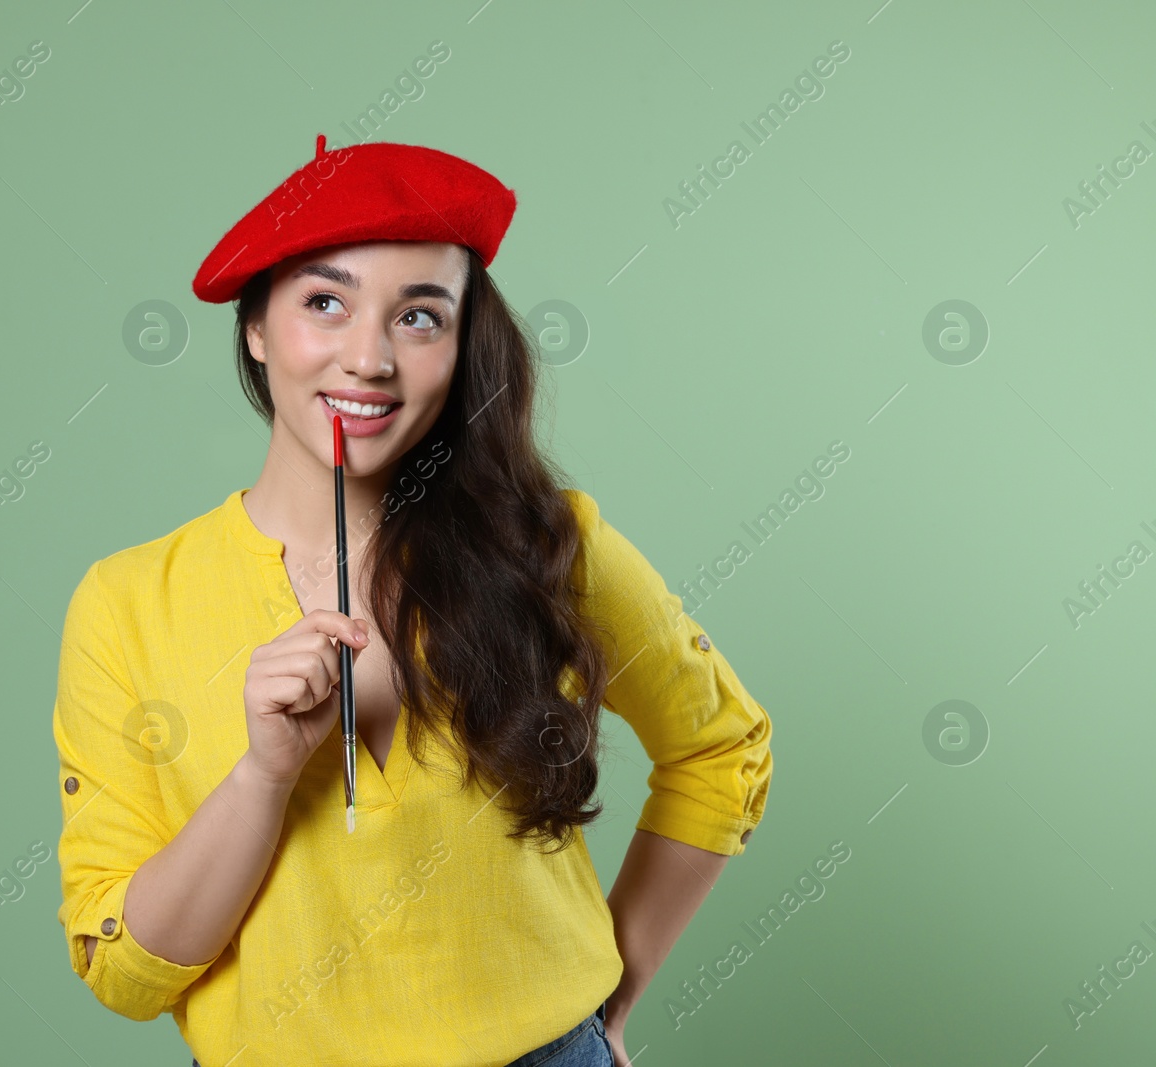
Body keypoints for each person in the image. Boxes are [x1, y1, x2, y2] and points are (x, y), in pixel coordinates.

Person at [52, 133, 775, 1067]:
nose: (368, 359)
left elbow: (722, 745)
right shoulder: (127, 603)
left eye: (420, 317)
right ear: (257, 327)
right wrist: (262, 778)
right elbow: (125, 973)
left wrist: (612, 1003)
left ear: (463, 345)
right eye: (324, 302)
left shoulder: (551, 544)